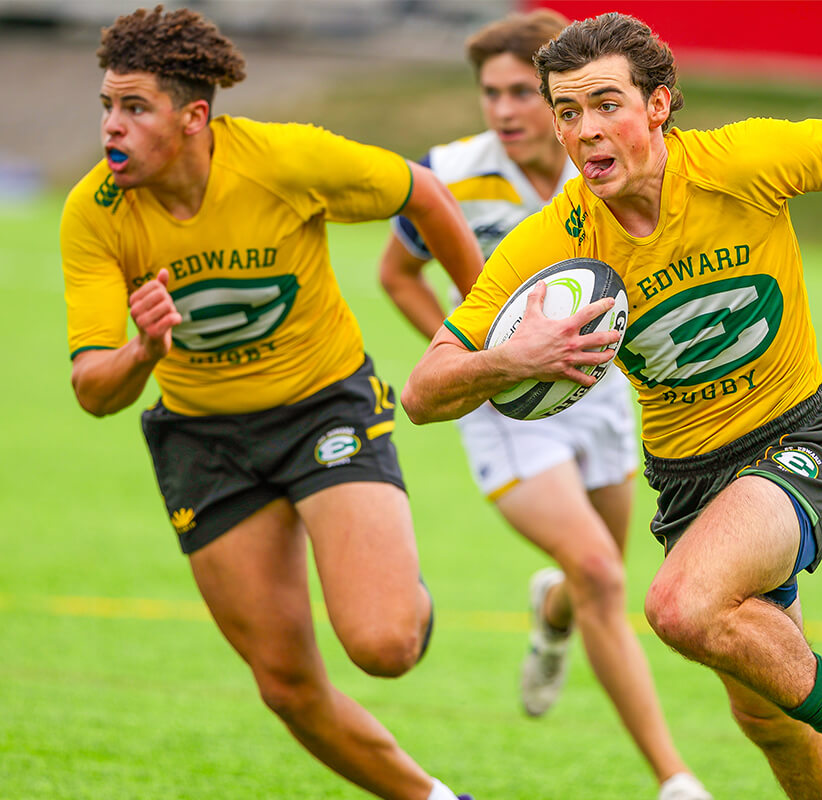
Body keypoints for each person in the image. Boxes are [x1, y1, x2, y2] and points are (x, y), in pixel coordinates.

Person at [401, 12, 822, 800]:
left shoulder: (740, 161)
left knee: (679, 606)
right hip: (688, 480)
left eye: (607, 104)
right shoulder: (554, 241)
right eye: (568, 112)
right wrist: (511, 358)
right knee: (770, 718)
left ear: (659, 105)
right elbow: (421, 391)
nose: (586, 130)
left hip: (802, 435)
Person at [59, 7, 483, 800]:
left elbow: (421, 193)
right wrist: (141, 352)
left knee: (385, 645)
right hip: (202, 440)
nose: (112, 127)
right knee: (285, 684)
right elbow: (92, 391)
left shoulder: (285, 159)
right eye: (107, 107)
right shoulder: (94, 212)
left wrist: (480, 324)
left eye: (134, 108)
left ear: (194, 117)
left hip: (323, 409)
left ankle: (402, 593)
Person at [378, 11, 710, 800]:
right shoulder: (451, 174)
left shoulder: (602, 162)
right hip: (503, 412)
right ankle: (675, 780)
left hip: (602, 396)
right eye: (490, 92)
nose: (504, 109)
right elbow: (398, 274)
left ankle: (552, 611)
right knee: (598, 568)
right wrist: (483, 369)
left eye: (523, 92)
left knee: (599, 576)